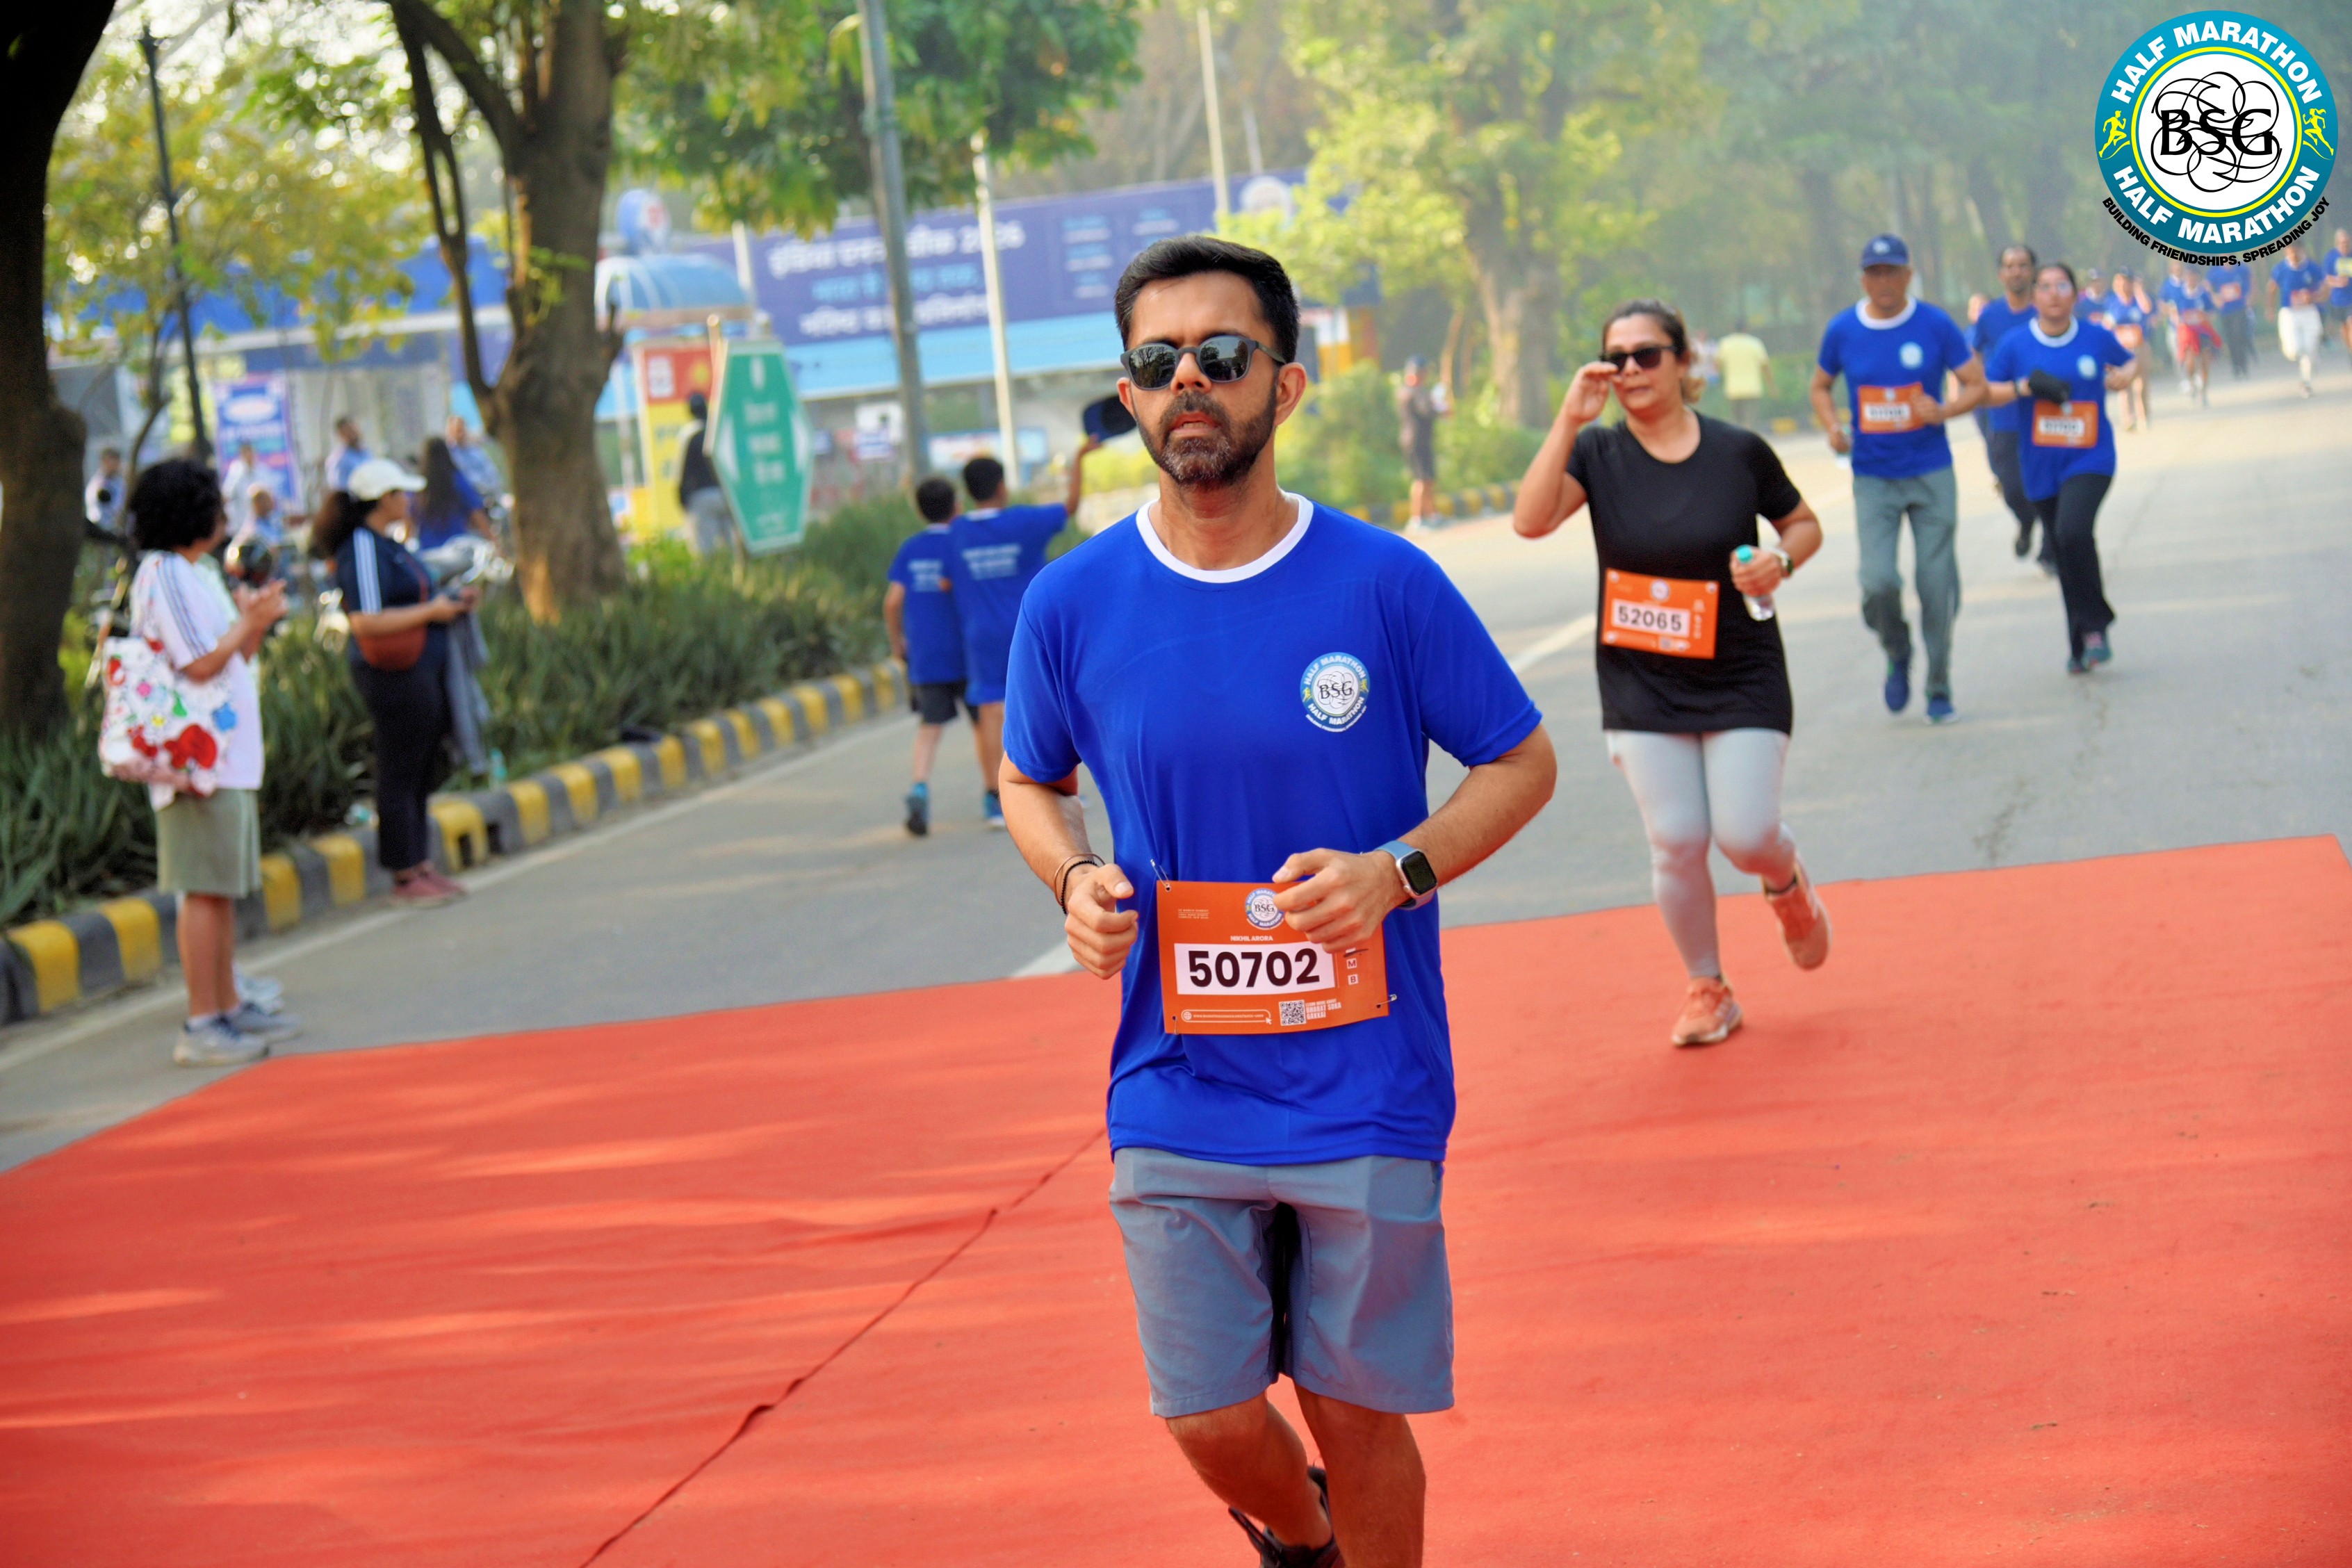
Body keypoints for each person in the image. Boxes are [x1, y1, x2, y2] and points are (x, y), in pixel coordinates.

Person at [999, 234, 1555, 1568]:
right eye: (1156, 362)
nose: (1186, 381)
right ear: (1128, 397)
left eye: (1219, 354)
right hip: (1176, 1075)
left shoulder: (1381, 582)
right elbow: (1028, 779)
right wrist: (1073, 877)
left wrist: (1393, 871)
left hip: (1365, 1072)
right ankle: (1304, 1539)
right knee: (1201, 1413)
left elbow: (1520, 761)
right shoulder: (1072, 602)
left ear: (1283, 385)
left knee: (1356, 1413)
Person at [1513, 300, 1831, 1045]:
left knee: (1747, 835)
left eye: (1647, 354)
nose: (1630, 370)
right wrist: (1568, 421)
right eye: (1615, 358)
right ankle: (1707, 986)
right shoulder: (1597, 454)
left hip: (1740, 672)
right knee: (1678, 840)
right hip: (1641, 681)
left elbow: (1803, 525)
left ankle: (1785, 883)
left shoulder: (1738, 451)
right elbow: (1531, 520)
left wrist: (1779, 563)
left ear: (1684, 363)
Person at [125, 459, 300, 1066]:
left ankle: (227, 1005)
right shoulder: (166, 574)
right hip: (196, 761)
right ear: (191, 513)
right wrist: (247, 623)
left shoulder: (193, 574)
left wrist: (255, 625)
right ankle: (203, 1021)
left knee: (219, 889)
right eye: (215, 506)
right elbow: (199, 663)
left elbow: (230, 656)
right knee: (203, 890)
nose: (224, 516)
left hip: (221, 758)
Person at [1808, 233, 1986, 724]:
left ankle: (1939, 686)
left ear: (1909, 276)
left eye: (1893, 272)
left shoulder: (1935, 324)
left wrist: (1945, 410)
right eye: (1875, 273)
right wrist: (1833, 426)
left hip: (1930, 471)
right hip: (1874, 476)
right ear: (1863, 279)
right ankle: (1897, 649)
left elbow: (1977, 383)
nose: (1884, 281)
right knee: (1878, 581)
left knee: (1936, 586)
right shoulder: (1844, 329)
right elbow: (1820, 386)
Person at [311, 457, 478, 908]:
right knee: (399, 768)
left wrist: (449, 602)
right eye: (400, 493)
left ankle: (420, 862)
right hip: (392, 673)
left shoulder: (391, 544)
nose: (408, 500)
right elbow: (366, 620)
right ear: (383, 500)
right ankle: (404, 871)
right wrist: (431, 612)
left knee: (420, 765)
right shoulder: (363, 547)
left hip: (419, 667)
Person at [1983, 263, 2138, 676]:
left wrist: (2125, 375)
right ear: (2035, 296)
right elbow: (1986, 391)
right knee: (2064, 549)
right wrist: (2023, 388)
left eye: (2062, 286)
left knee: (2073, 532)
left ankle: (2095, 626)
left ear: (2075, 294)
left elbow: (2131, 361)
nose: (2054, 294)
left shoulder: (2095, 336)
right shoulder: (2016, 344)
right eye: (2046, 287)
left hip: (2090, 458)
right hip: (2040, 465)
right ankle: (2079, 642)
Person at [946, 440, 1096, 830]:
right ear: (1002, 487)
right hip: (1027, 631)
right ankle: (1059, 789)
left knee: (989, 713)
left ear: (969, 492)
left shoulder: (956, 533)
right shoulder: (1025, 522)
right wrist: (1078, 459)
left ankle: (993, 799)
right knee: (1049, 705)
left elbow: (944, 582)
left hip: (980, 636)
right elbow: (1070, 506)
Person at [884, 477, 979, 838]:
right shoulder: (961, 543)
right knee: (984, 724)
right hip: (966, 652)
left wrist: (898, 641)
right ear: (956, 505)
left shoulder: (911, 548)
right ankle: (998, 792)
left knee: (929, 728)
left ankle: (919, 787)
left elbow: (892, 602)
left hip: (925, 655)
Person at [1970, 245, 2053, 570]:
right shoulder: (1990, 316)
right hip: (2003, 414)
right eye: (2010, 266)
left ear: (2033, 271)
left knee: (2050, 483)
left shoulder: (2047, 310)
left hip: (2045, 414)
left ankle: (2049, 550)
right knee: (2012, 487)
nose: (2016, 271)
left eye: (2022, 265)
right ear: (2001, 274)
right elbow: (1973, 356)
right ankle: (2026, 520)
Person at [676, 391, 735, 555]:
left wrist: (682, 499)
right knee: (732, 551)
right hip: (726, 495)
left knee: (703, 553)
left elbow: (682, 471)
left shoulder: (690, 434)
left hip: (701, 496)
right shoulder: (719, 431)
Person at [412, 436, 494, 550]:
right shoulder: (457, 480)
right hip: (457, 549)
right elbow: (477, 513)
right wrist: (495, 544)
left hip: (428, 553)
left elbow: (409, 522)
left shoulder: (418, 486)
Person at [2270, 242, 2326, 397]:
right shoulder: (2281, 269)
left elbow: (2325, 288)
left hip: (2309, 312)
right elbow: (2272, 288)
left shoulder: (2312, 267)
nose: (2294, 256)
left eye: (2296, 252)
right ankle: (2304, 357)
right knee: (2294, 351)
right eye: (2291, 252)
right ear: (2286, 253)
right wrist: (2270, 309)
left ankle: (2306, 383)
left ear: (2302, 251)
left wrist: (2314, 297)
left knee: (2310, 348)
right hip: (2290, 313)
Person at [1396, 357, 1446, 528]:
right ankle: (1416, 519)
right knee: (1421, 480)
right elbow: (1427, 411)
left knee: (1428, 479)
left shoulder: (1408, 391)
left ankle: (1432, 515)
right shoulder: (1414, 392)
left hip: (1418, 440)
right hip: (1416, 441)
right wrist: (1440, 408)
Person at [2160, 261, 2219, 408]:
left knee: (2205, 363)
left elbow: (2212, 312)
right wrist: (2178, 320)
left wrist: (2204, 317)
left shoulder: (2203, 293)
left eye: (2193, 276)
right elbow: (2172, 309)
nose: (2191, 279)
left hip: (2203, 333)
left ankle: (2204, 393)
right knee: (2190, 362)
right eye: (2188, 276)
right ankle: (2192, 382)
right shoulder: (2180, 293)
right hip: (2188, 334)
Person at [2104, 270, 2153, 432]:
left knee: (2141, 384)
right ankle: (2128, 418)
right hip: (2121, 349)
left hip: (2140, 346)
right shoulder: (2112, 303)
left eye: (2126, 282)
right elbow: (2107, 324)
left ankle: (2144, 417)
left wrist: (2139, 290)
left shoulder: (2139, 300)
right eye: (2119, 282)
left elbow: (2147, 309)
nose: (2122, 286)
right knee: (2124, 383)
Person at [1716, 323, 1774, 430]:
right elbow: (1765, 367)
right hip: (1752, 389)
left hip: (1733, 390)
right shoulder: (1755, 343)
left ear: (1732, 329)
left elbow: (1717, 366)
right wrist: (1772, 387)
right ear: (1746, 329)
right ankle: (1748, 438)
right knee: (1750, 422)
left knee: (1737, 422)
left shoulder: (1725, 343)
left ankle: (1739, 439)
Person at [2207, 260, 2255, 378]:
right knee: (2230, 339)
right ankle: (2235, 365)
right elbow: (2207, 285)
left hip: (2240, 308)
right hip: (2225, 311)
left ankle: (2243, 364)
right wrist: (2215, 298)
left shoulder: (2241, 267)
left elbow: (2252, 279)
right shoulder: (2215, 271)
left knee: (2239, 335)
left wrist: (2250, 297)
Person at [444, 414, 504, 501]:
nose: (460, 434)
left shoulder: (476, 452)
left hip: (487, 496)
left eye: (461, 430)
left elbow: (491, 472)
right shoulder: (450, 455)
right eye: (456, 431)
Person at [220, 441, 263, 534]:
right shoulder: (236, 472)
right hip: (240, 525)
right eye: (246, 453)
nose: (249, 456)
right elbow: (227, 495)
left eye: (251, 452)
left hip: (259, 525)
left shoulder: (261, 471)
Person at [85, 446, 126, 534]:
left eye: (117, 461)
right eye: (111, 460)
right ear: (104, 462)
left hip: (118, 530)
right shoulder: (97, 484)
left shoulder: (121, 483)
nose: (115, 464)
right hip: (101, 530)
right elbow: (94, 510)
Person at [327, 416, 372, 493]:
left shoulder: (366, 452)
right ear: (341, 435)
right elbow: (341, 491)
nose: (353, 434)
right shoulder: (340, 460)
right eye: (348, 431)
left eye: (354, 429)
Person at [2327, 229, 2352, 363]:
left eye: (2347, 242)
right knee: (2344, 328)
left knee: (2351, 323)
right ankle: (2350, 351)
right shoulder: (2331, 257)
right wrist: (2338, 282)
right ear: (2337, 243)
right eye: (2342, 243)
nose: (2345, 245)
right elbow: (2327, 278)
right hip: (2338, 300)